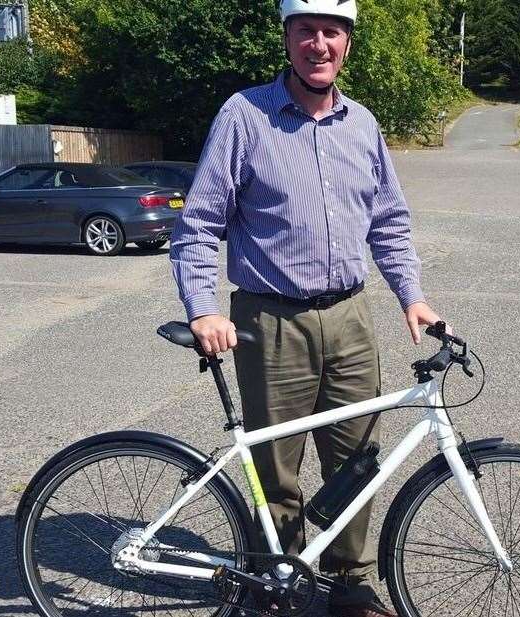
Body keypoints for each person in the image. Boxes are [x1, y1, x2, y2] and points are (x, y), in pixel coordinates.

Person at [170, 1, 450, 615]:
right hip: (270, 320)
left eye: (331, 32)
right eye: (306, 31)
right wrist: (203, 308)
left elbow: (389, 222)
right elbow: (199, 224)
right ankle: (279, 583)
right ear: (288, 38)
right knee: (276, 467)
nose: (318, 44)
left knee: (358, 462)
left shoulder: (363, 125)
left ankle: (348, 582)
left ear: (347, 43)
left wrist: (413, 295)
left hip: (351, 318)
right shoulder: (244, 116)